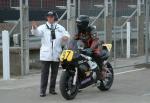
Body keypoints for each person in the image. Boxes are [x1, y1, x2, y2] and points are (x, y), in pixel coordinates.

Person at [31, 10, 70, 97]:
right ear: (47, 18)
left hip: (56, 54)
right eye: (48, 17)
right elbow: (37, 33)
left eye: (51, 17)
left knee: (54, 73)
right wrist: (34, 28)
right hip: (46, 55)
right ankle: (42, 91)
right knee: (44, 73)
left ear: (54, 17)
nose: (50, 18)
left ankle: (52, 89)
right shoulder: (43, 27)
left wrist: (66, 37)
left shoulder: (60, 27)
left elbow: (66, 34)